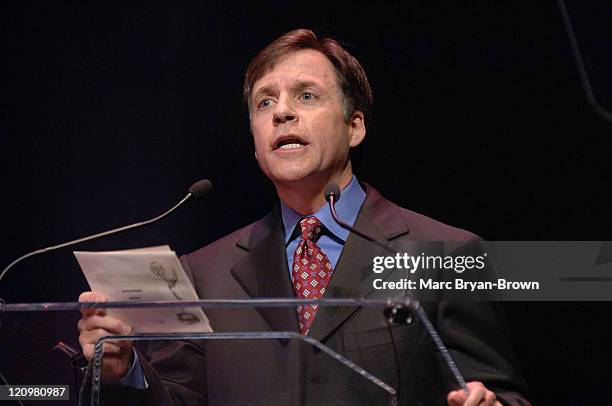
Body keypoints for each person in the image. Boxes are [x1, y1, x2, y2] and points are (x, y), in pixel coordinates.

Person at [78, 28, 531, 405]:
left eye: (307, 96)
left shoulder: (446, 253)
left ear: (355, 126)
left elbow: (503, 394)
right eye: (264, 103)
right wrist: (128, 371)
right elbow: (180, 397)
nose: (283, 113)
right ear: (254, 141)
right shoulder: (203, 273)